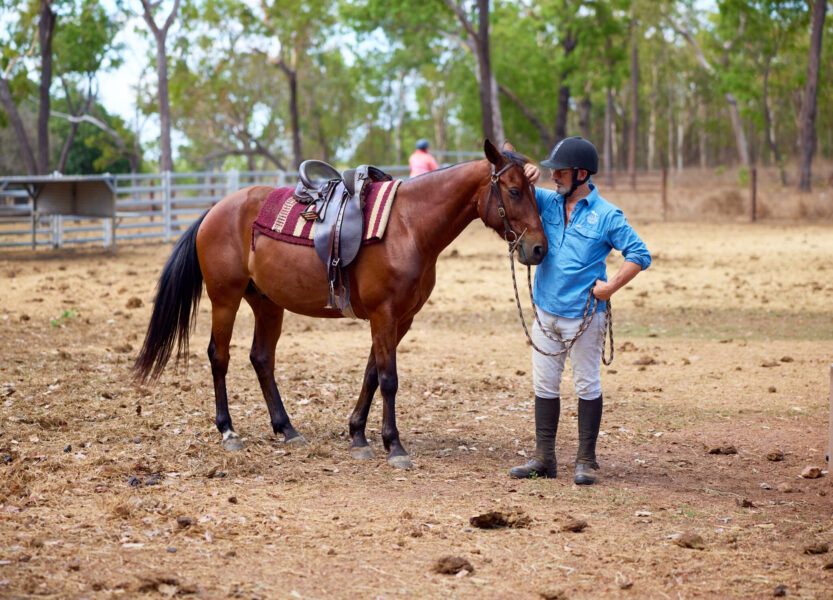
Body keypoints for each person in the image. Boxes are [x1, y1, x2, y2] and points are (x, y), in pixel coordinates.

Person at [510, 136, 651, 485]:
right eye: (552, 170)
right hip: (546, 311)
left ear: (582, 174)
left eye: (561, 171)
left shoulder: (607, 215)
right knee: (544, 383)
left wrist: (610, 287)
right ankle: (544, 458)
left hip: (585, 315)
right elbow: (512, 180)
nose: (554, 176)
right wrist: (524, 166)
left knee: (587, 384)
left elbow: (639, 254)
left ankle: (586, 460)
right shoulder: (546, 201)